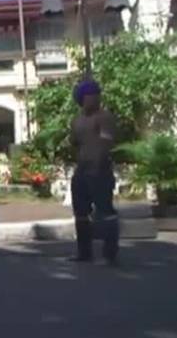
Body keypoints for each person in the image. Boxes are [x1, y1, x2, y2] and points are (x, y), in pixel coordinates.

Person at [69, 79, 119, 265]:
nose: (95, 98)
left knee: (105, 211)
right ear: (82, 98)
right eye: (90, 95)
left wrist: (99, 163)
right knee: (81, 212)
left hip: (100, 169)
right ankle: (84, 253)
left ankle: (109, 254)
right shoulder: (77, 120)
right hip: (82, 170)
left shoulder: (104, 117)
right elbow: (74, 143)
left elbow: (107, 142)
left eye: (97, 94)